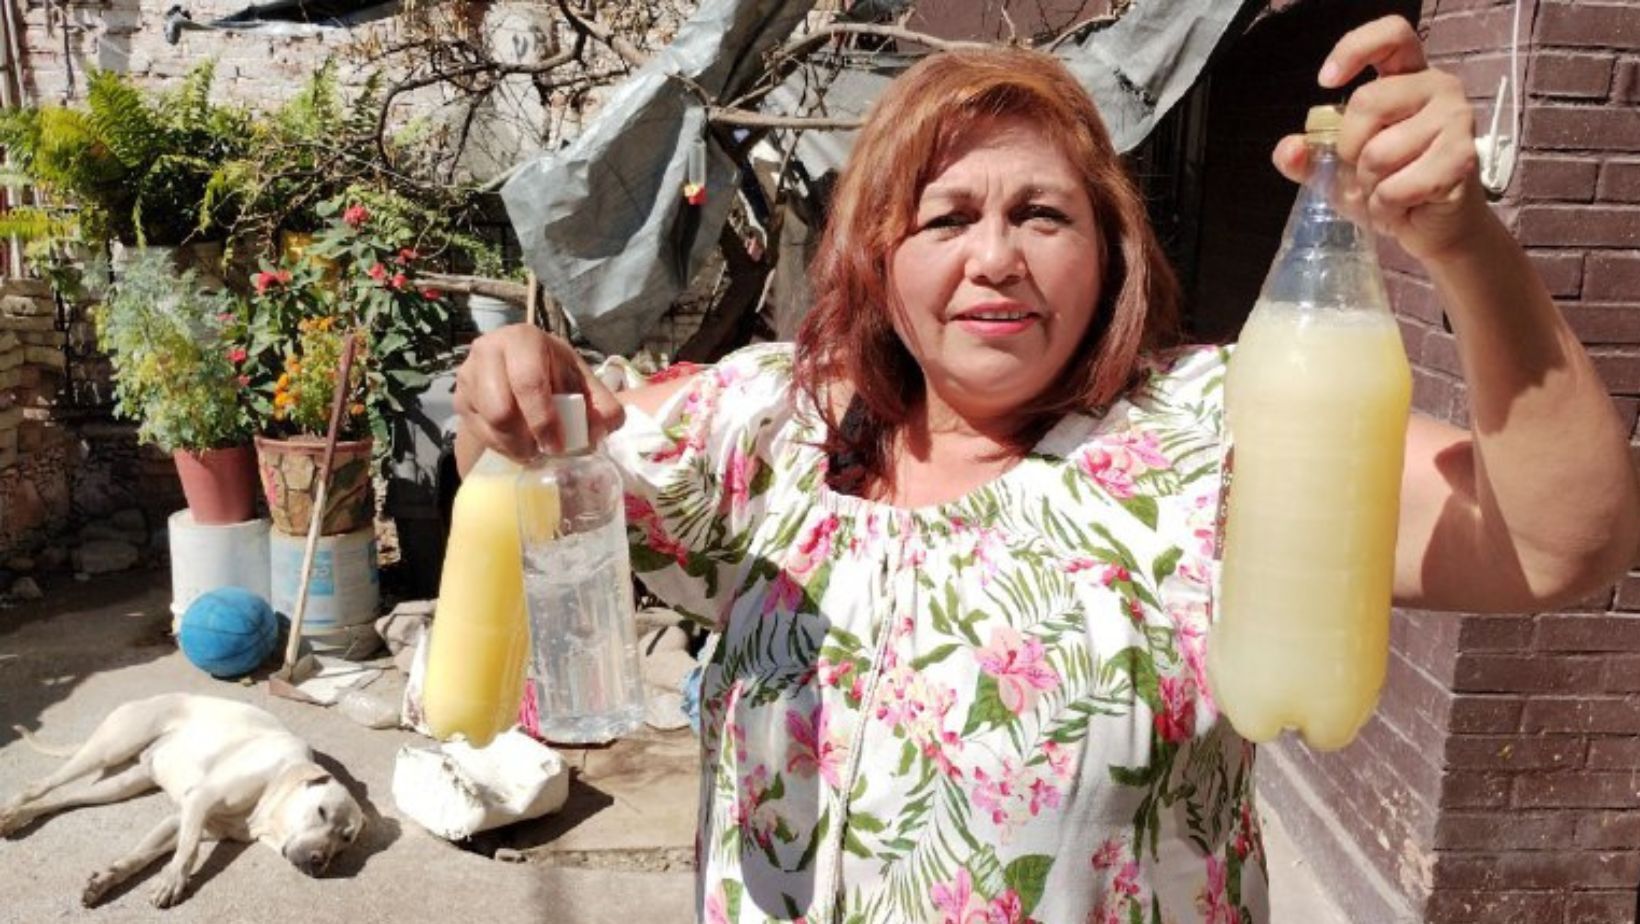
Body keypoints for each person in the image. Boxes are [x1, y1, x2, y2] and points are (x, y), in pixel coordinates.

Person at [453, 16, 1640, 924]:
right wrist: (509, 387)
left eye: (1042, 215)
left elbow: (1554, 540)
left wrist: (1459, 240)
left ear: (1109, 254)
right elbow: (526, 479)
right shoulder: (767, 426)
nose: (995, 259)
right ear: (875, 261)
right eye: (943, 218)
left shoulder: (1211, 435)